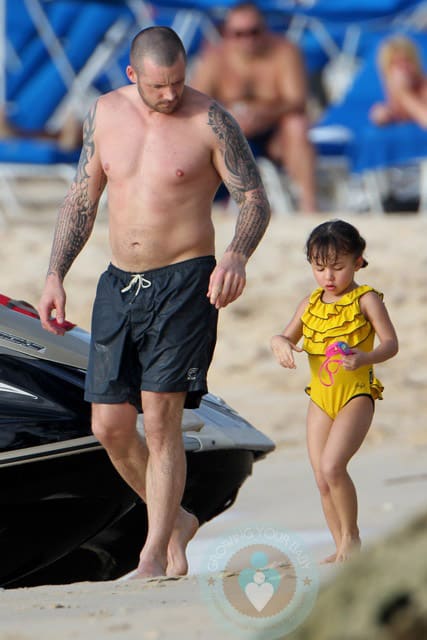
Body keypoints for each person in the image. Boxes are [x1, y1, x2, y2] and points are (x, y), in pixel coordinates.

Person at [38, 26, 270, 579]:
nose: (170, 95)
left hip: (186, 282)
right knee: (110, 426)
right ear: (132, 75)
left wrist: (236, 255)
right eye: (159, 86)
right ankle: (177, 520)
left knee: (161, 423)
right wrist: (54, 274)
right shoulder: (104, 113)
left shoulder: (210, 119)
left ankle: (155, 553)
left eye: (178, 83)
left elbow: (254, 199)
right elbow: (81, 199)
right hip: (119, 284)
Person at [271, 220, 398, 562]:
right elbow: (285, 336)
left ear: (358, 262)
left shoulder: (366, 299)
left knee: (332, 467)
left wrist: (366, 358)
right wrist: (279, 343)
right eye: (319, 268)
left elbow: (391, 344)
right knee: (321, 477)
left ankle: (351, 539)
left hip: (356, 394)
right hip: (320, 398)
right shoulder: (310, 303)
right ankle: (338, 543)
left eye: (338, 267)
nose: (328, 276)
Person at [190, 2, 318, 213]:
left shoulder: (284, 52)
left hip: (274, 134)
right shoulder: (215, 59)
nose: (248, 39)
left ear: (264, 29)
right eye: (239, 34)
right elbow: (195, 104)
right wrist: (229, 119)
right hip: (230, 134)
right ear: (227, 34)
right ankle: (198, 206)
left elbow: (297, 101)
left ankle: (309, 205)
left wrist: (262, 115)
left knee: (297, 125)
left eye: (254, 32)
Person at [369, 35, 427, 129]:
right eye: (396, 63)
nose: (403, 68)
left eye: (406, 61)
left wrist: (404, 94)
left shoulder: (423, 86)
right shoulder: (393, 86)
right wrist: (387, 114)